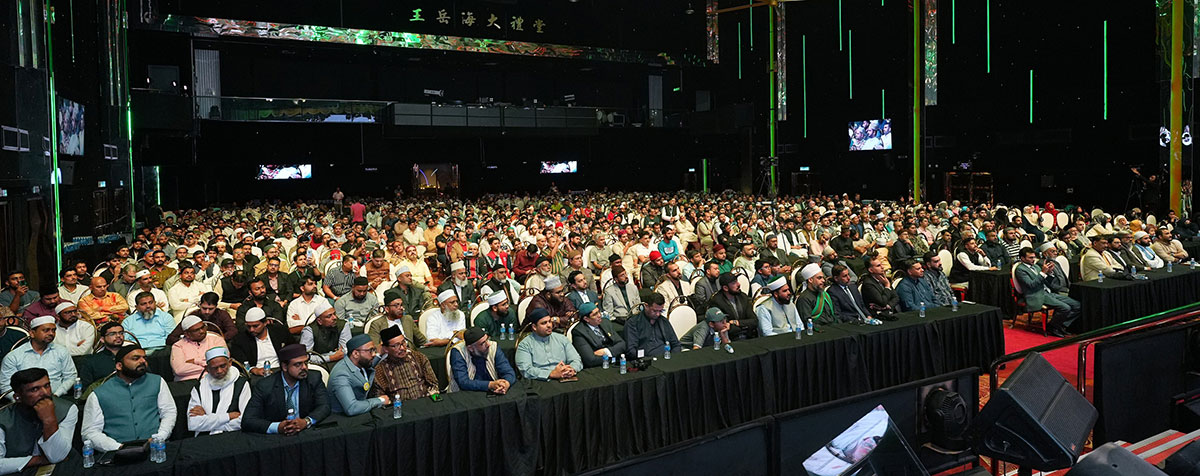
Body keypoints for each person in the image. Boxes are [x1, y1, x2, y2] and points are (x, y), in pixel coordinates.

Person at [81, 345, 177, 451]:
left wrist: (160, 437)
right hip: (116, 454)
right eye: (135, 358)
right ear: (119, 366)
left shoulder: (157, 382)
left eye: (144, 358)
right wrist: (118, 448)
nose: (142, 361)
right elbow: (90, 432)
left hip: (155, 448)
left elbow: (169, 412)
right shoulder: (99, 394)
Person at [0, 368, 76, 473]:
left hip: (60, 469)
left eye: (47, 386)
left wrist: (50, 420)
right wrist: (38, 460)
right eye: (35, 389)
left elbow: (57, 456)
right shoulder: (3, 418)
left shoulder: (67, 409)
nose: (45, 393)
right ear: (18, 397)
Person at [242, 344, 330, 434]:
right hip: (277, 439)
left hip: (306, 433)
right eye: (298, 364)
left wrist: (306, 421)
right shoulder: (264, 386)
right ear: (284, 367)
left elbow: (324, 406)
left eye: (305, 363)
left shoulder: (314, 378)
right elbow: (248, 420)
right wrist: (277, 427)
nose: (304, 367)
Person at [0, 317, 76, 397]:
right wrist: (21, 401)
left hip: (57, 398)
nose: (51, 333)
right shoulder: (14, 357)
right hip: (24, 403)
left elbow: (70, 376)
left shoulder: (61, 351)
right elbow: (5, 386)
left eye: (53, 330)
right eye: (46, 330)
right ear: (32, 333)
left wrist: (57, 394)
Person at [1014, 248, 1081, 337]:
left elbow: (1047, 282)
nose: (1033, 260)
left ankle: (1059, 325)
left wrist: (1049, 273)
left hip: (1049, 293)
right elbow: (1031, 285)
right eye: (1030, 258)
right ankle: (1054, 327)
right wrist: (1042, 273)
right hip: (1037, 295)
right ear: (1022, 258)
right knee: (1065, 308)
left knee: (1077, 305)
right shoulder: (1020, 270)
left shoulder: (1036, 266)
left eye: (1034, 257)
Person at [186, 347, 251, 436]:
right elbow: (193, 423)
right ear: (207, 369)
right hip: (204, 438)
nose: (219, 371)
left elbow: (245, 420)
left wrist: (208, 418)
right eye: (214, 368)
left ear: (230, 363)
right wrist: (228, 416)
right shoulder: (199, 387)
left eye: (223, 366)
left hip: (233, 436)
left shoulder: (241, 384)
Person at [369, 327, 439, 401]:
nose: (402, 348)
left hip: (425, 403)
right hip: (399, 408)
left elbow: (433, 385)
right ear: (386, 349)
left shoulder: (419, 358)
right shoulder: (380, 369)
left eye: (403, 343)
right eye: (396, 345)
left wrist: (436, 402)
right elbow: (381, 399)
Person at [328, 334, 390, 416]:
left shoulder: (359, 362)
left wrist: (380, 354)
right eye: (370, 350)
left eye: (374, 350)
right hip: (343, 418)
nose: (374, 354)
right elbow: (352, 408)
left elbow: (370, 364)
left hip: (362, 410)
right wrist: (380, 400)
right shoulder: (341, 375)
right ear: (356, 353)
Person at [515, 309, 582, 380]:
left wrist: (572, 369)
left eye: (550, 321)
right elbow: (526, 370)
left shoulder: (562, 339)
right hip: (540, 382)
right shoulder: (525, 345)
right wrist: (551, 374)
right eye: (544, 323)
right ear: (534, 327)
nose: (549, 325)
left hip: (565, 377)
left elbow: (576, 359)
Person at [448, 327, 517, 393]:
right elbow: (463, 382)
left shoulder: (493, 346)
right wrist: (490, 385)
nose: (488, 344)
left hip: (492, 391)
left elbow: (508, 372)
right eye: (483, 343)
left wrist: (506, 383)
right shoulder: (458, 352)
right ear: (471, 348)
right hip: (464, 395)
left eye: (487, 339)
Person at [229, 308, 295, 376]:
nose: (251, 330)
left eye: (255, 326)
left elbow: (293, 348)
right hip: (256, 374)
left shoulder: (279, 331)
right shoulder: (240, 339)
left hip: (281, 370)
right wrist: (254, 370)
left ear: (265, 323)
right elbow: (239, 361)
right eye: (248, 326)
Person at [170, 314, 227, 381]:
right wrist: (208, 366)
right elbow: (179, 370)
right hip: (187, 382)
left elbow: (222, 363)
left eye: (203, 327)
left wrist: (195, 361)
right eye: (196, 330)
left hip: (214, 379)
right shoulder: (178, 346)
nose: (202, 331)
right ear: (187, 334)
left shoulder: (216, 340)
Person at [569, 302, 627, 369]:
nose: (599, 315)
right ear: (586, 319)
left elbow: (622, 344)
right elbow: (590, 360)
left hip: (613, 363)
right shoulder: (579, 332)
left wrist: (606, 351)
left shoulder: (605, 322)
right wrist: (615, 356)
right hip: (597, 368)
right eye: (595, 314)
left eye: (598, 312)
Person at [622, 292, 680, 358]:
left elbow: (676, 344)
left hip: (666, 359)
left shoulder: (663, 321)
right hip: (646, 360)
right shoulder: (633, 323)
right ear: (646, 306)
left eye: (660, 311)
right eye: (654, 311)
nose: (658, 314)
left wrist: (673, 358)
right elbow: (631, 350)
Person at [167, 292, 237, 345]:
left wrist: (217, 340)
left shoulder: (222, 314)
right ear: (199, 305)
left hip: (216, 345)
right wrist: (189, 342)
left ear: (216, 307)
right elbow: (171, 338)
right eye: (204, 308)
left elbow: (233, 331)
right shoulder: (192, 316)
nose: (207, 312)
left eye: (211, 309)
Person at [300, 299, 351, 364]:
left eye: (334, 314)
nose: (334, 317)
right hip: (317, 365)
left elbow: (344, 352)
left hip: (339, 362)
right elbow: (305, 357)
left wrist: (332, 356)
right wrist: (331, 357)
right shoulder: (309, 331)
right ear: (319, 321)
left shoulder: (343, 325)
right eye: (329, 316)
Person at [707, 273, 756, 339]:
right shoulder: (717, 301)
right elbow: (723, 326)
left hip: (749, 337)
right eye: (734, 283)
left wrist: (736, 322)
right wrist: (744, 325)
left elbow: (754, 321)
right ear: (725, 288)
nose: (738, 284)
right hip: (730, 338)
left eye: (737, 281)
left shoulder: (743, 297)